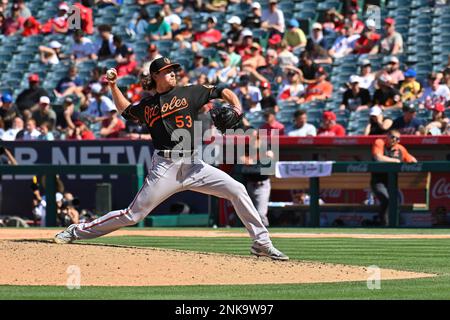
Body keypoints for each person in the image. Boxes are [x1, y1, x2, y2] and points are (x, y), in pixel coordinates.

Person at [55, 56, 289, 261]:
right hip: (165, 167)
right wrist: (113, 86)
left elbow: (222, 90)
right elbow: (125, 111)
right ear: (155, 76)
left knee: (237, 189)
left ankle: (261, 243)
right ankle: (76, 230)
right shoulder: (148, 106)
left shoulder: (189, 91)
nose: (173, 73)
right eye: (167, 71)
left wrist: (236, 108)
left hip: (194, 165)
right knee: (133, 215)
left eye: (174, 69)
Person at [371, 130, 417, 225]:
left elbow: (411, 160)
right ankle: (384, 224)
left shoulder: (400, 148)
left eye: (397, 138)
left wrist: (412, 160)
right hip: (378, 180)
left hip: (392, 181)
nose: (395, 140)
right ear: (387, 136)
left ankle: (394, 224)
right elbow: (378, 158)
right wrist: (394, 161)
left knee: (395, 202)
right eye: (392, 137)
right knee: (386, 200)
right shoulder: (380, 142)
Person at [239, 132, 273, 227]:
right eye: (252, 137)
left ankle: (266, 235)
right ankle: (254, 235)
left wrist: (257, 158)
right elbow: (244, 160)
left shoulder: (265, 147)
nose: (254, 140)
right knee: (249, 213)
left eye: (256, 137)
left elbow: (270, 156)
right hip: (249, 185)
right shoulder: (247, 148)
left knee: (261, 214)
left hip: (262, 185)